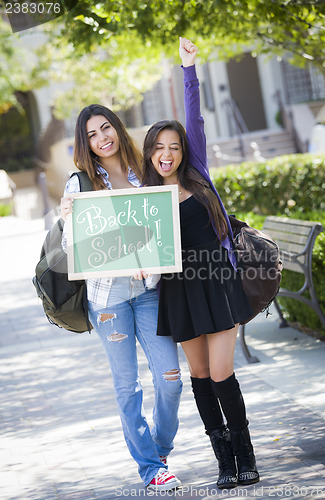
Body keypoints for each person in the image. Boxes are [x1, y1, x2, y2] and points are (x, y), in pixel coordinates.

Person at [140, 38, 260, 490]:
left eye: (173, 146)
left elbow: (195, 117)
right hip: (179, 289)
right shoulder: (148, 197)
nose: (167, 154)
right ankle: (224, 460)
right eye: (158, 148)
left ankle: (246, 454)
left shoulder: (197, 172)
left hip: (216, 281)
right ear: (150, 154)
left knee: (223, 372)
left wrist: (188, 69)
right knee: (200, 376)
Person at [60, 104, 182, 492]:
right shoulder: (79, 184)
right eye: (92, 134)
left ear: (118, 129)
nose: (102, 138)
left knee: (172, 380)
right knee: (127, 385)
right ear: (85, 142)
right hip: (108, 300)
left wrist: (150, 259)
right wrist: (67, 218)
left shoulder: (143, 174)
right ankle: (150, 468)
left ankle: (158, 450)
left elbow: (158, 233)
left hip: (147, 294)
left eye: (106, 128)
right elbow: (74, 247)